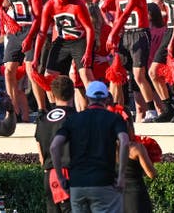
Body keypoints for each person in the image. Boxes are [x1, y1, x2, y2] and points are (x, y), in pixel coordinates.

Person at [50, 81, 128, 213]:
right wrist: (121, 176)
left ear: (86, 98)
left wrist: (60, 177)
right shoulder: (114, 118)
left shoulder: (73, 119)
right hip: (104, 182)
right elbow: (124, 142)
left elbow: (54, 146)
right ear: (107, 99)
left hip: (77, 183)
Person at [35, 76, 76, 213]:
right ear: (73, 93)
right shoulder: (77, 118)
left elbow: (40, 150)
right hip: (69, 174)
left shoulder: (42, 119)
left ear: (52, 94)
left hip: (49, 175)